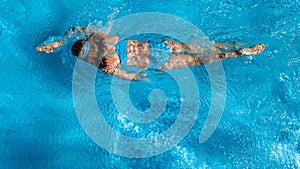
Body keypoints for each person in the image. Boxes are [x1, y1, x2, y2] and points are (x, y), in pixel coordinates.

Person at [36, 26, 265, 80]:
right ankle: (232, 46)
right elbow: (79, 28)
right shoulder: (101, 38)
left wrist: (137, 77)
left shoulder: (104, 64)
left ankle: (238, 53)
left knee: (199, 60)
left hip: (159, 61)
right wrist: (60, 42)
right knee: (200, 47)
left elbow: (129, 76)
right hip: (159, 44)